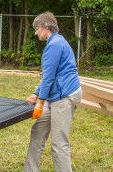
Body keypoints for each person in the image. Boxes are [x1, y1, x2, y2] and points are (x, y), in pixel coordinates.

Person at [24, 12, 82, 172]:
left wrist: (40, 103)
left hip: (64, 97)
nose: (36, 33)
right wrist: (35, 94)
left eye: (37, 29)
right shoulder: (57, 41)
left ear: (47, 27)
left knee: (59, 143)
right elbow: (49, 74)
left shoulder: (54, 44)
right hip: (55, 96)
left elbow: (49, 77)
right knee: (38, 132)